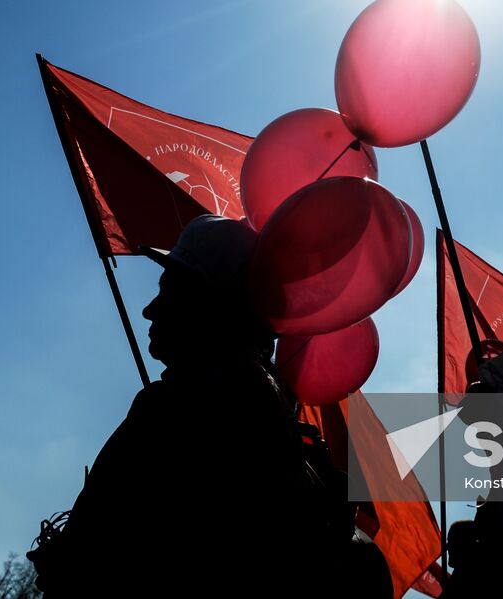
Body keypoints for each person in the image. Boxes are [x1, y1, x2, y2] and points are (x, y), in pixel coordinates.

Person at [27, 214, 351, 596]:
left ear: (208, 307)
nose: (149, 309)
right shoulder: (278, 430)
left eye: (168, 290)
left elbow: (90, 564)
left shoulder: (172, 414)